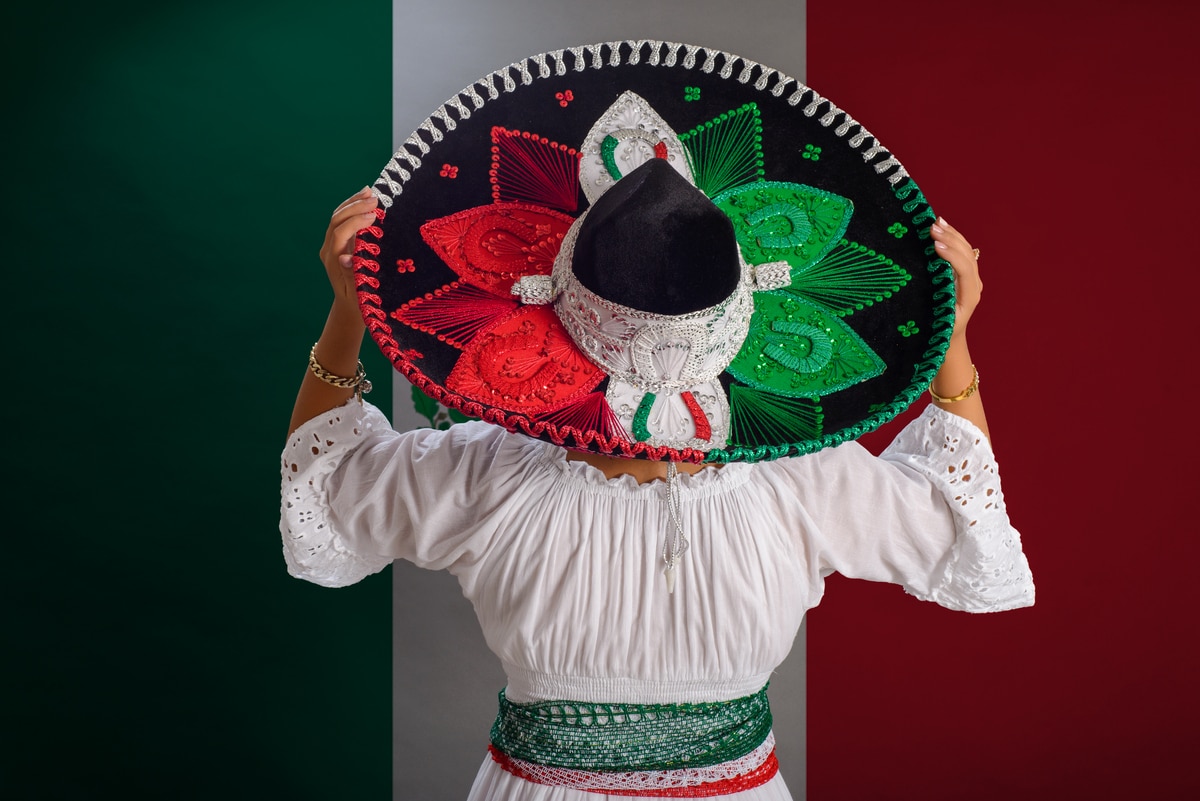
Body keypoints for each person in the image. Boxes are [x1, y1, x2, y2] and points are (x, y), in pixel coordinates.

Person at [281, 43, 1033, 800]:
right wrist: (954, 337)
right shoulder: (798, 478)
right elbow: (957, 516)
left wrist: (349, 313)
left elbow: (327, 486)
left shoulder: (486, 471)